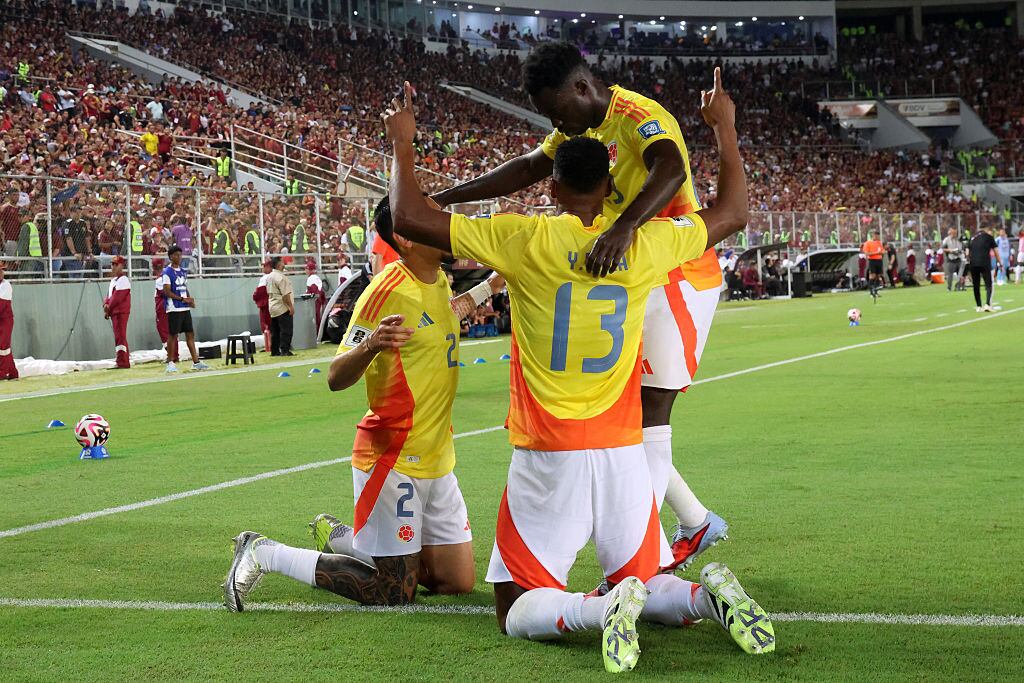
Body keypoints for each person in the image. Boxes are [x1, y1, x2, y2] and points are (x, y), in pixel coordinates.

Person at [383, 75, 773, 671]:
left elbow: (407, 217)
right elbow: (734, 212)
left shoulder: (525, 238)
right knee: (643, 574)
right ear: (610, 184)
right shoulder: (644, 245)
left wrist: (402, 144)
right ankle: (703, 597)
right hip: (621, 450)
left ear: (555, 187)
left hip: (549, 451)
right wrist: (725, 129)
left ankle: (599, 611)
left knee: (513, 605)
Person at [432, 42, 728, 572]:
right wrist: (448, 197)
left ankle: (654, 563)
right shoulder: (579, 130)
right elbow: (526, 167)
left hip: (677, 273)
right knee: (624, 417)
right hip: (632, 269)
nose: (554, 123)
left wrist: (624, 226)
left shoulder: (638, 115)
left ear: (582, 88)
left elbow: (672, 169)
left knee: (648, 414)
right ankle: (695, 521)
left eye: (556, 111)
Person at [222, 198, 503, 611]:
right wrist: (372, 344)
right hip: (392, 457)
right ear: (406, 237)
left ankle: (346, 539)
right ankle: (264, 552)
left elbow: (447, 310)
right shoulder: (386, 290)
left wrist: (489, 286)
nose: (442, 222)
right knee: (393, 592)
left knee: (455, 582)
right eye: (428, 216)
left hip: (438, 456)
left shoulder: (437, 280)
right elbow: (336, 376)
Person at [161, 245, 209, 372]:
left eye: (180, 254)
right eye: (176, 255)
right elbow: (166, 291)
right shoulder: (167, 272)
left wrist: (189, 299)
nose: (179, 257)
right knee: (173, 335)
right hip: (174, 308)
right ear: (171, 257)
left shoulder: (182, 271)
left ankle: (196, 361)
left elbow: (184, 287)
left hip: (184, 308)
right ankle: (170, 362)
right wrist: (182, 299)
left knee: (190, 334)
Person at [103, 255, 132, 369]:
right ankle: (123, 360)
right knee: (120, 336)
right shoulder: (114, 280)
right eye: (112, 264)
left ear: (122, 266)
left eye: (116, 264)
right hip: (115, 312)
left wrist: (107, 308)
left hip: (120, 312)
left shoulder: (123, 280)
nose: (113, 267)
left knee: (120, 337)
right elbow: (109, 296)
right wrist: (106, 304)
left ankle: (122, 362)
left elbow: (117, 298)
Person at [266, 256, 295, 356]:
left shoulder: (269, 276)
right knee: (286, 330)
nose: (284, 263)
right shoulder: (281, 277)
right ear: (279, 264)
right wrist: (290, 307)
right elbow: (285, 295)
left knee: (275, 331)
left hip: (273, 306)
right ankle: (285, 350)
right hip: (282, 306)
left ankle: (274, 350)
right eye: (282, 262)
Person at [968, 227, 998, 312]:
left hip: (973, 263)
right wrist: (1000, 263)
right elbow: (996, 251)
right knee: (988, 284)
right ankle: (987, 304)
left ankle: (978, 306)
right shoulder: (989, 237)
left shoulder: (972, 238)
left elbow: (968, 251)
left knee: (976, 285)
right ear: (985, 230)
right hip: (984, 263)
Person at [0, 262, 17, 380]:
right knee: (5, 348)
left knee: (3, 347)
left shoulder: (6, 285)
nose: (2, 272)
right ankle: (13, 372)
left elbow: (1, 305)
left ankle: (2, 372)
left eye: (2, 270)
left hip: (5, 320)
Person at [252, 260, 273, 353]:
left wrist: (255, 297)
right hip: (274, 303)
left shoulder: (265, 278)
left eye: (265, 266)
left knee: (266, 325)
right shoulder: (276, 276)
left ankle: (269, 346)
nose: (263, 268)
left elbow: (259, 293)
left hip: (265, 304)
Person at [152, 258, 170, 356]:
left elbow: (164, 293)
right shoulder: (167, 277)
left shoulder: (160, 279)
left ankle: (171, 354)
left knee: (163, 330)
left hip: (162, 308)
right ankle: (173, 353)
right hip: (168, 308)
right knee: (169, 330)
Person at [305, 258, 327, 330]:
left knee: (315, 319)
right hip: (319, 301)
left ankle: (317, 336)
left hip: (315, 302)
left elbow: (312, 292)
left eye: (307, 269)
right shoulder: (317, 277)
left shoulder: (311, 278)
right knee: (318, 319)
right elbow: (321, 292)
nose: (306, 271)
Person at [861, 230, 885, 294]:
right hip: (872, 261)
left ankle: (876, 291)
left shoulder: (879, 243)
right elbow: (867, 253)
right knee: (872, 276)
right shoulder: (868, 243)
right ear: (873, 236)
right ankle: (871, 292)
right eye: (876, 236)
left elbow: (883, 251)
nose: (877, 237)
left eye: (878, 236)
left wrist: (881, 252)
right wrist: (877, 253)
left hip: (879, 260)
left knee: (878, 276)